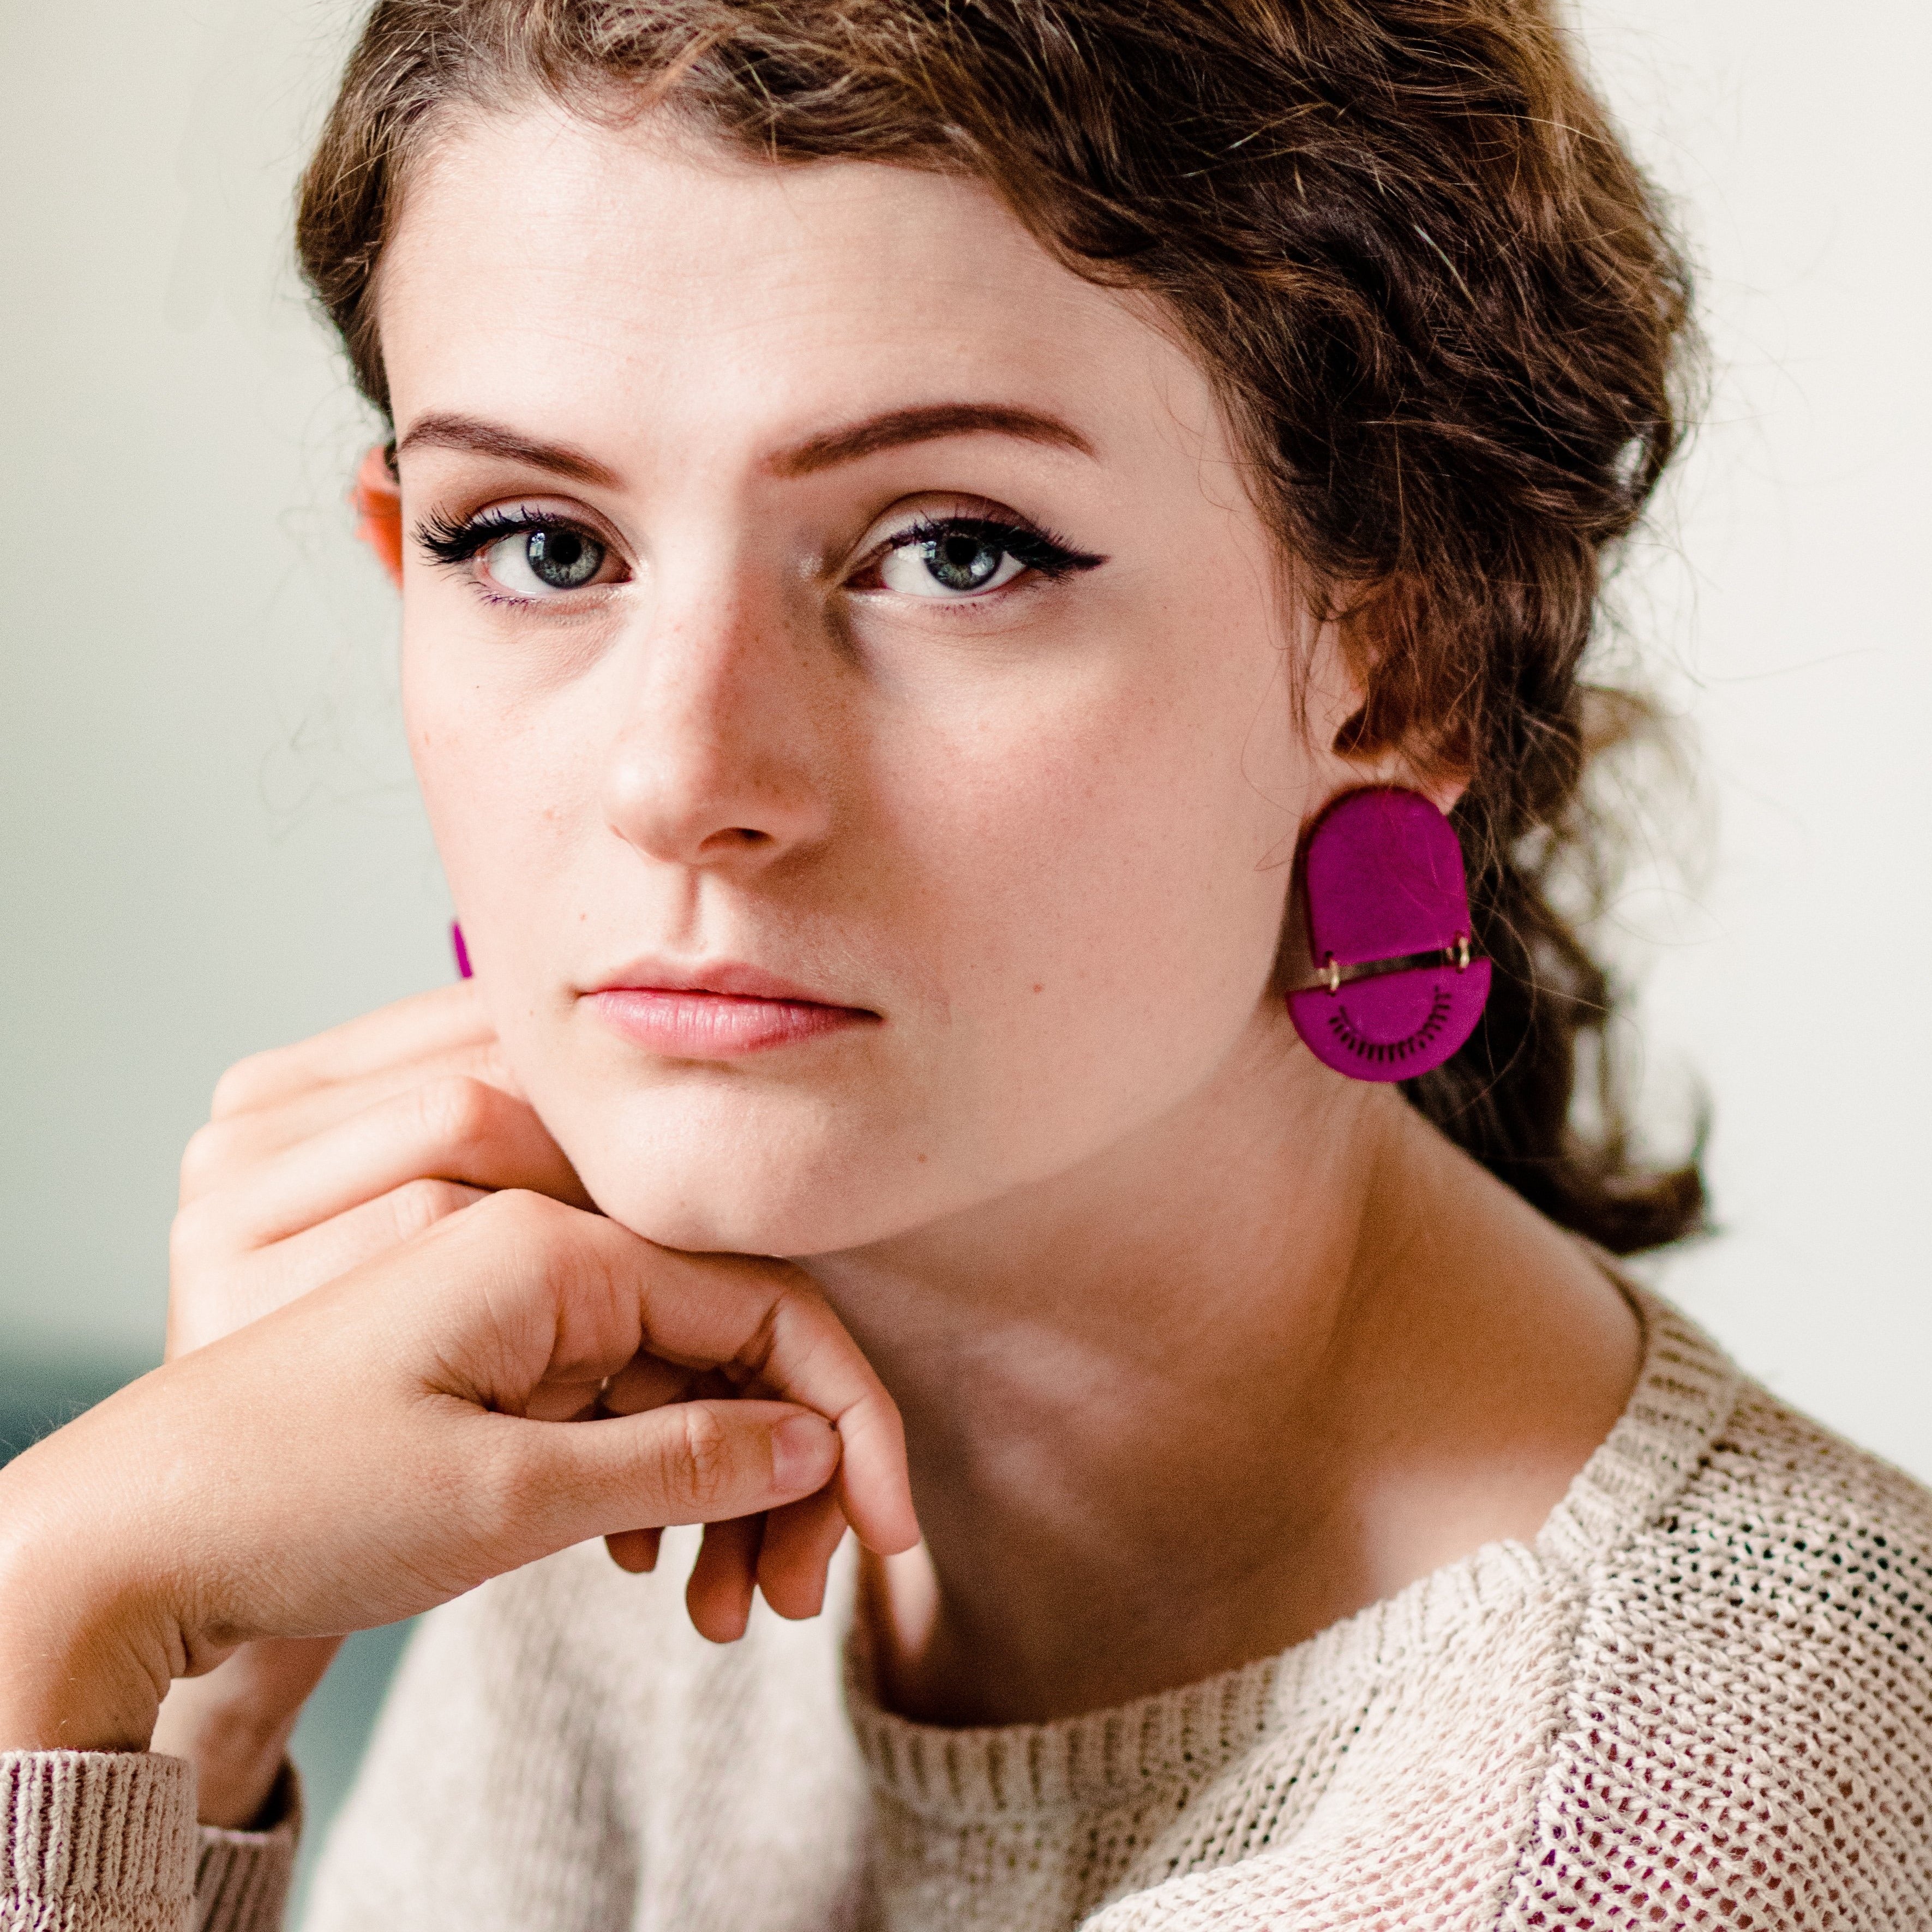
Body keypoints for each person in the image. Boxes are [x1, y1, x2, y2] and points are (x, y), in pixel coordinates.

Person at [4, 2, 1930, 1927]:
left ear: (1401, 659)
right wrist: (188, 1697)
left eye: (956, 551)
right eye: (539, 544)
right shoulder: (570, 1435)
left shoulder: (1643, 1821)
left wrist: (46, 1616)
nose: (678, 779)